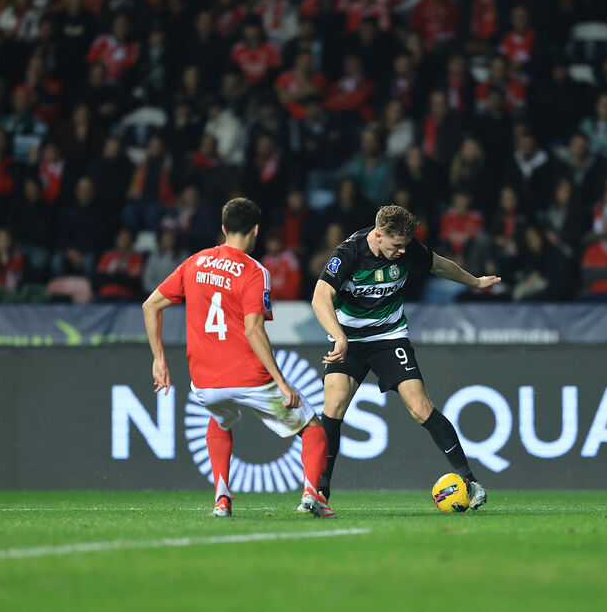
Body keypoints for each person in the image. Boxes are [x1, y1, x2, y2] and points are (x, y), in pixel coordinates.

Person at [142, 197, 334, 518]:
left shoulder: (195, 262)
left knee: (219, 419)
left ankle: (221, 499)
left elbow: (151, 305)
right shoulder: (255, 272)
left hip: (204, 381)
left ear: (222, 228)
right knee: (312, 427)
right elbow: (254, 331)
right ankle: (311, 496)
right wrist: (281, 381)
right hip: (248, 378)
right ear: (256, 230)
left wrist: (158, 359)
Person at [310, 205, 497, 505]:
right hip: (350, 337)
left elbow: (439, 265)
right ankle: (320, 492)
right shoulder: (348, 253)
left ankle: (472, 484)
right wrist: (340, 335)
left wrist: (475, 282)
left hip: (388, 335)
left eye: (405, 245)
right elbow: (320, 298)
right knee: (333, 405)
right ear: (378, 235)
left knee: (421, 407)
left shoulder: (406, 249)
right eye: (396, 245)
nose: (401, 251)